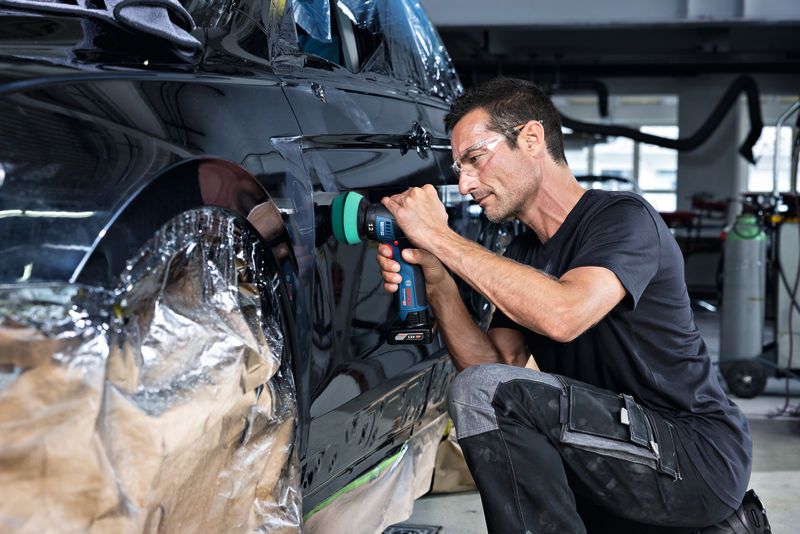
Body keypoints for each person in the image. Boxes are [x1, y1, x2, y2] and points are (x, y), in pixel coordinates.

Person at [376, 78, 764, 533]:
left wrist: (439, 235)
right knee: (481, 388)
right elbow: (494, 369)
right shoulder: (522, 253)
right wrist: (438, 279)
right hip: (617, 453)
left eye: (475, 160)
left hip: (693, 456)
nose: (464, 185)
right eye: (459, 167)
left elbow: (564, 315)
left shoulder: (623, 219)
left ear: (532, 138)